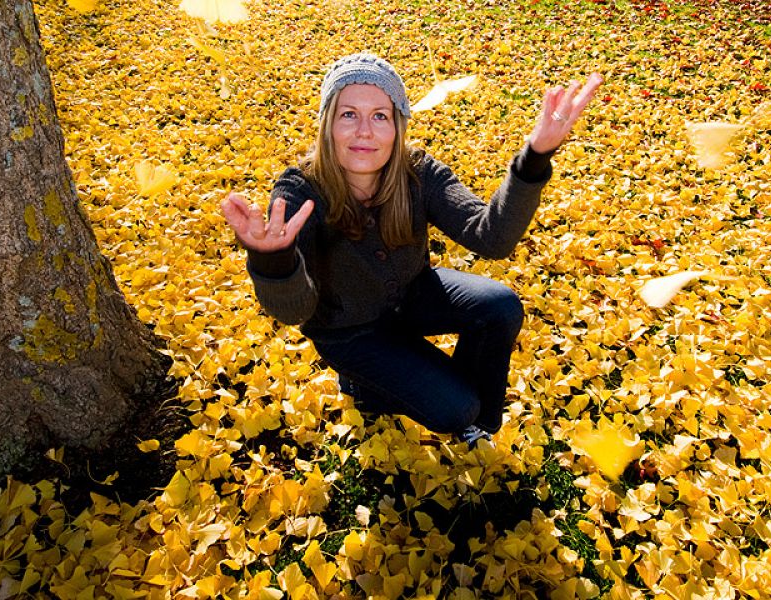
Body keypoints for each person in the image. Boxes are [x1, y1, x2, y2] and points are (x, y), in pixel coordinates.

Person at [222, 53, 602, 448]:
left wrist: (535, 157)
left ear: (397, 125)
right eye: (348, 114)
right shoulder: (300, 192)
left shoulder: (418, 172)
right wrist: (274, 261)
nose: (364, 131)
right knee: (455, 408)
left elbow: (492, 237)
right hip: (348, 332)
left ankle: (477, 420)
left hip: (413, 297)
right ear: (328, 124)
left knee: (500, 308)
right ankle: (367, 385)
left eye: (380, 116)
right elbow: (294, 311)